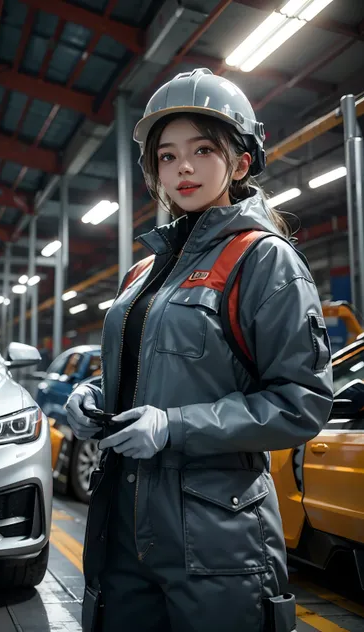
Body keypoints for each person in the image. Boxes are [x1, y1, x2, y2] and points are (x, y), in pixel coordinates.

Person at [65, 68, 334, 632]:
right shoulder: (143, 271)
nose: (182, 167)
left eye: (202, 149)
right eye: (166, 156)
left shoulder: (265, 261)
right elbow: (147, 369)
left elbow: (301, 401)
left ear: (239, 163)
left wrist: (174, 427)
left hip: (216, 542)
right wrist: (95, 396)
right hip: (124, 525)